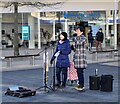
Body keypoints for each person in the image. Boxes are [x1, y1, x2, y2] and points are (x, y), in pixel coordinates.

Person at [71, 26, 87, 91]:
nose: (76, 31)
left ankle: (81, 85)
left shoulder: (83, 38)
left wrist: (75, 38)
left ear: (81, 32)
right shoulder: (76, 38)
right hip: (77, 57)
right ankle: (80, 84)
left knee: (80, 72)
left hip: (81, 58)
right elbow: (74, 48)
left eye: (78, 30)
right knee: (78, 71)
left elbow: (79, 43)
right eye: (76, 30)